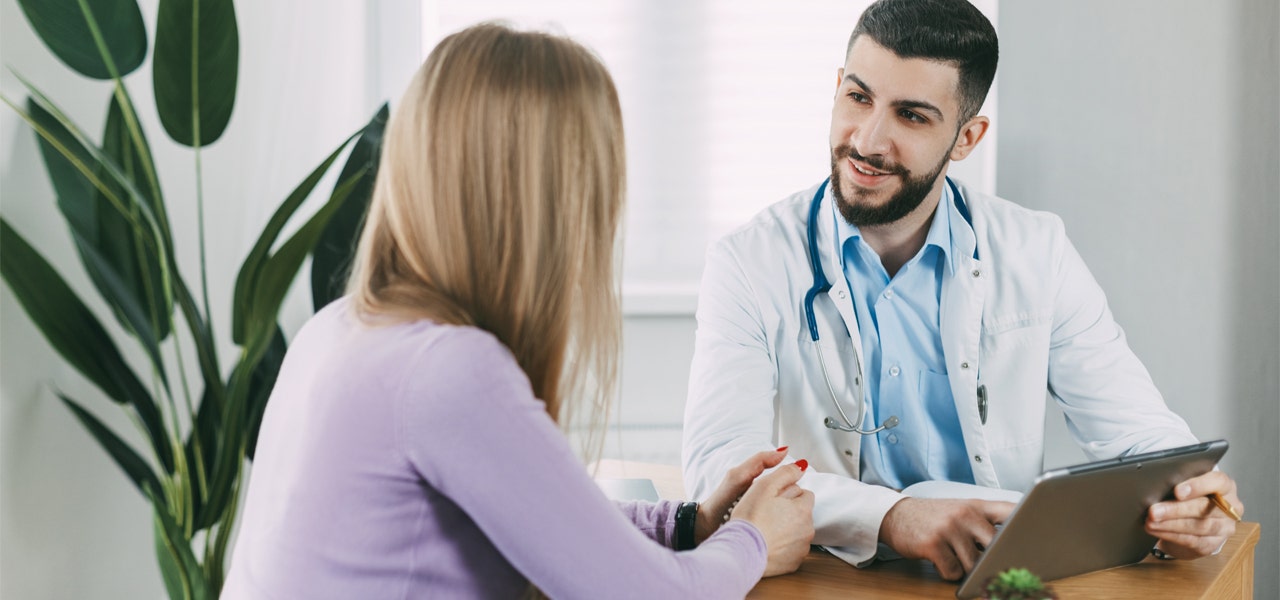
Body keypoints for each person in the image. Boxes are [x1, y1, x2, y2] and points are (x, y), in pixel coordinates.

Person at [222, 23, 814, 599]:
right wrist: (753, 539)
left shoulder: (341, 328)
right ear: (548, 206)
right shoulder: (448, 370)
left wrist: (690, 525)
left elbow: (550, 519)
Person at [681, 0, 1242, 582]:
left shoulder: (1036, 252)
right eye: (858, 97)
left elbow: (1140, 437)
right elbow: (719, 472)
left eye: (913, 116)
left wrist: (1190, 499)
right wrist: (892, 517)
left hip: (995, 579)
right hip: (828, 577)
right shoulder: (748, 262)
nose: (868, 141)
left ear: (967, 137)